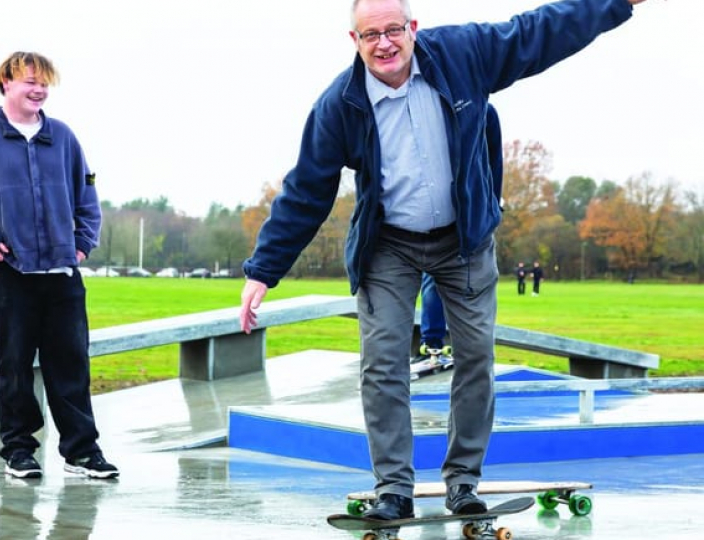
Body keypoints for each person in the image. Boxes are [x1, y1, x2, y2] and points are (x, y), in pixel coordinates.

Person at [239, 0, 652, 521]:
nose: (384, 44)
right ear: (354, 41)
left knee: (475, 358)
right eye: (371, 35)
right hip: (389, 244)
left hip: (465, 240)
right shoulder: (339, 106)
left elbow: (535, 34)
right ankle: (393, 488)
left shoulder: (463, 55)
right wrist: (262, 272)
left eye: (394, 30)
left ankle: (464, 483)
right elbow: (306, 191)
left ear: (413, 29)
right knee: (383, 363)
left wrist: (612, 2)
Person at [0, 52, 118, 480]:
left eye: (44, 84)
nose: (39, 90)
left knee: (71, 367)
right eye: (29, 82)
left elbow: (88, 199)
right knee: (14, 368)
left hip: (62, 277)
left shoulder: (64, 138)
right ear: (6, 84)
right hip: (11, 277)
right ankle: (19, 451)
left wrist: (82, 244)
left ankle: (82, 453)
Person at [415, 103, 502, 369]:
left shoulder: (485, 112)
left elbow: (493, 163)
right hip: (439, 212)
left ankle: (438, 344)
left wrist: (492, 204)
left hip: (466, 213)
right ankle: (433, 344)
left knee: (459, 279)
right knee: (434, 276)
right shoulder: (428, 110)